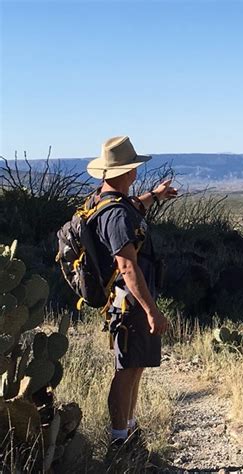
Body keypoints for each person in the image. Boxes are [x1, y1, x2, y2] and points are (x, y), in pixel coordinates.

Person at [86, 136, 177, 459]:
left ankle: (128, 428)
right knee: (127, 369)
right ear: (130, 171)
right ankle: (119, 441)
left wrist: (154, 195)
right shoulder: (116, 216)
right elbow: (127, 266)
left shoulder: (106, 199)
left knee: (135, 365)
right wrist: (152, 310)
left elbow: (131, 205)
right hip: (130, 302)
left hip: (125, 300)